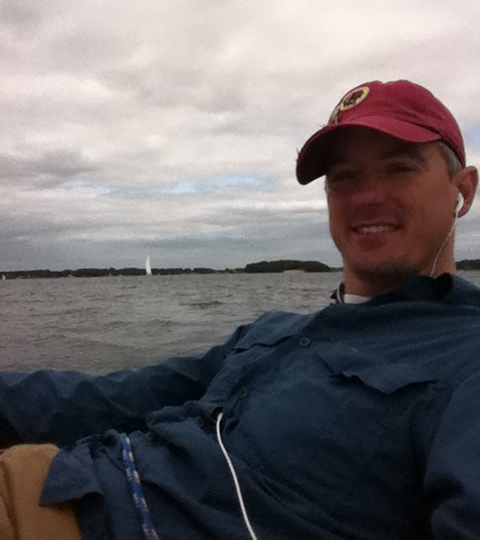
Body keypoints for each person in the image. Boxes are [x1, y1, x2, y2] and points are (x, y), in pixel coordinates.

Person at [1, 79, 479, 540]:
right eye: (344, 177)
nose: (367, 196)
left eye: (400, 168)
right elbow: (116, 397)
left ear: (463, 190)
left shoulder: (465, 358)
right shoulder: (273, 332)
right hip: (55, 478)